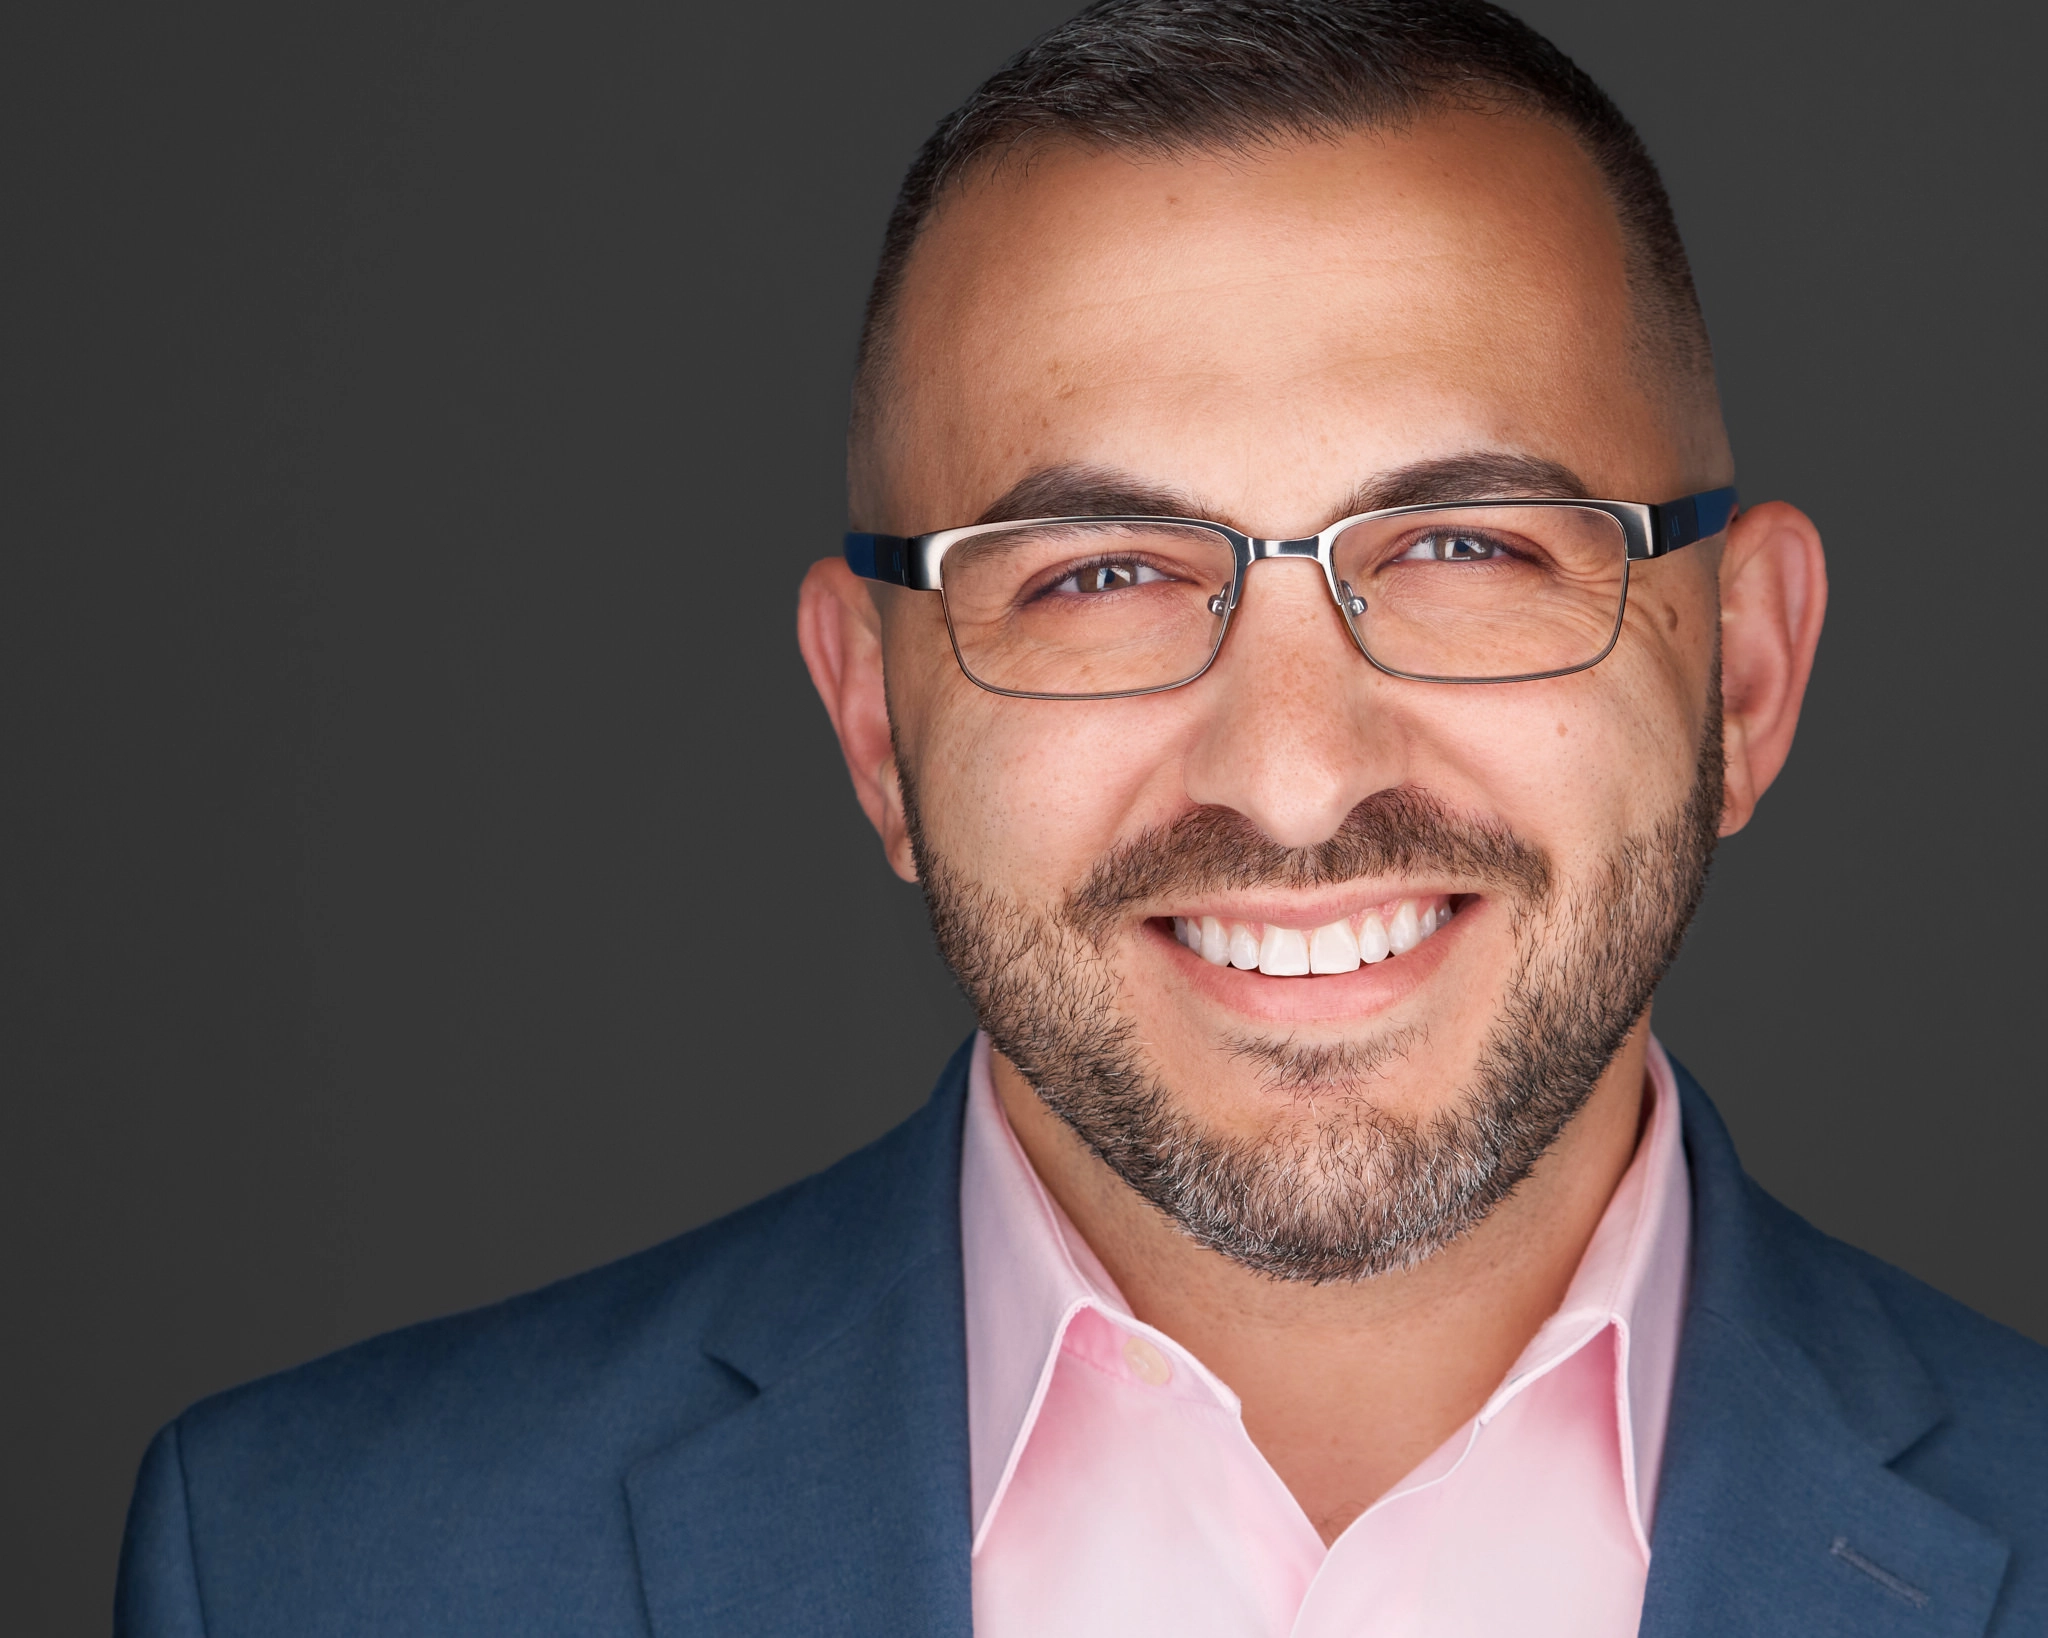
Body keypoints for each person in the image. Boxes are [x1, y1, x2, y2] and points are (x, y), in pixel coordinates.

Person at [115, 1, 2048, 1633]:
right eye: (1099, 575)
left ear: (1744, 674)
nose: (1292, 775)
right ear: (874, 720)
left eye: (1465, 546)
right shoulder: (309, 1567)